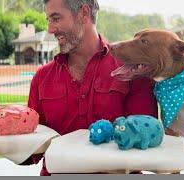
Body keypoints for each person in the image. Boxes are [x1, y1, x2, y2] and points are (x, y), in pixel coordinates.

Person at [27, 0, 157, 176]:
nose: (50, 29)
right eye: (48, 20)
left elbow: (145, 140)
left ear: (83, 13)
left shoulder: (133, 72)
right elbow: (31, 151)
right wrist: (4, 138)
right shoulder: (41, 78)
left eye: (56, 18)